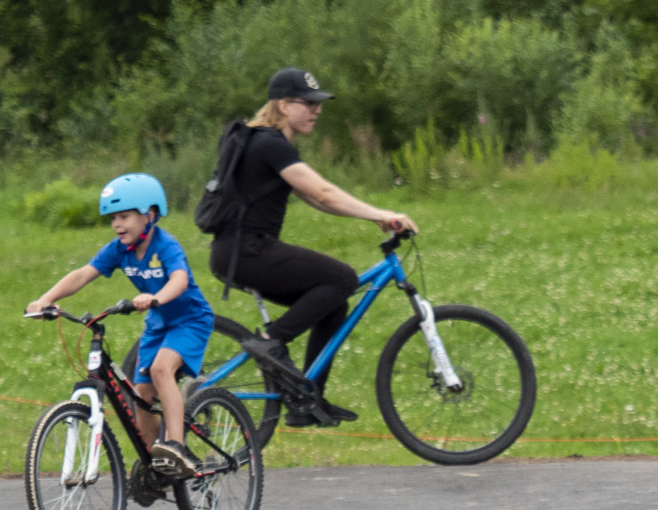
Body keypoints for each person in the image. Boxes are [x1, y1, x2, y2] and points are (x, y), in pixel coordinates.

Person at [208, 67, 419, 429]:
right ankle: (269, 341)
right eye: (308, 104)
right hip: (246, 252)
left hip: (241, 252)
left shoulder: (271, 143)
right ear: (283, 105)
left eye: (317, 104)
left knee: (334, 304)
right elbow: (323, 192)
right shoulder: (269, 143)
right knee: (342, 278)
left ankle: (307, 401)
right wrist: (383, 213)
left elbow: (315, 200)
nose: (316, 111)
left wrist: (373, 218)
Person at [24, 174, 215, 477]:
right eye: (113, 217)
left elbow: (179, 280)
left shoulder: (166, 246)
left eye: (125, 216)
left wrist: (155, 297)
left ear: (149, 215)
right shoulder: (119, 250)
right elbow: (83, 274)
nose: (117, 224)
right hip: (158, 325)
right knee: (141, 395)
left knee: (161, 369)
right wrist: (44, 300)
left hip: (190, 320)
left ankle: (176, 446)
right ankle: (158, 465)